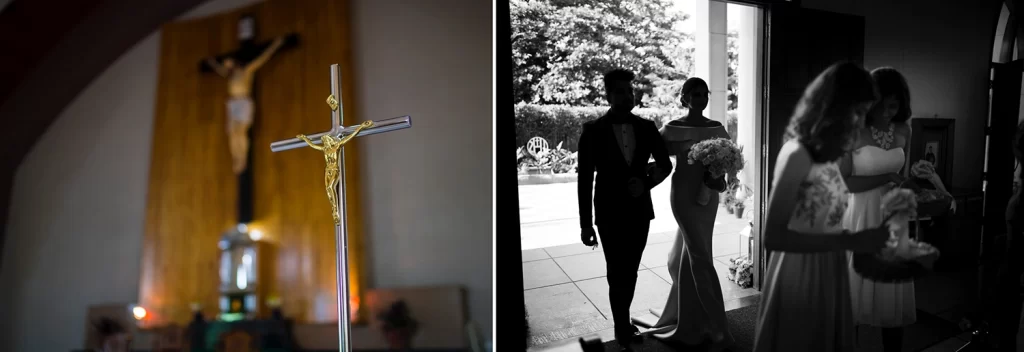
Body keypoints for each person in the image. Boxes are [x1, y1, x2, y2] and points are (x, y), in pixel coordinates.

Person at [752, 61, 891, 352]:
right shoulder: (797, 154)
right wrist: (850, 240)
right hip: (800, 271)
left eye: (864, 112)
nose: (861, 121)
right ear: (834, 107)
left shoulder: (828, 155)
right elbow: (772, 237)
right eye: (857, 111)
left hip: (831, 267)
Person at [577, 68, 672, 351]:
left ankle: (623, 321)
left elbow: (665, 164)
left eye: (630, 91)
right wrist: (585, 223)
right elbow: (584, 180)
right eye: (620, 91)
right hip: (607, 212)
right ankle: (621, 327)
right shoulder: (592, 131)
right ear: (608, 95)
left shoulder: (647, 127)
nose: (627, 96)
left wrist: (645, 183)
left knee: (630, 270)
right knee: (615, 270)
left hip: (639, 211)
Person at [644, 77, 733, 350]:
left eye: (703, 93)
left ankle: (689, 316)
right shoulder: (672, 128)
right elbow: (655, 158)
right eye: (694, 93)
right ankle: (717, 326)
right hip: (682, 196)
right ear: (684, 97)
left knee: (678, 259)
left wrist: (720, 180)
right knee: (700, 257)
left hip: (709, 198)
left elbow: (727, 164)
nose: (700, 98)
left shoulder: (717, 128)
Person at [841, 67, 916, 352]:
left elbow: (903, 176)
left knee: (892, 295)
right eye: (881, 105)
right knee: (853, 293)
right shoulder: (853, 131)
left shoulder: (904, 130)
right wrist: (886, 178)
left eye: (894, 105)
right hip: (860, 217)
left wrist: (911, 186)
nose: (887, 112)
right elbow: (845, 182)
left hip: (892, 219)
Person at [204, 36, 286, 175]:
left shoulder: (246, 71)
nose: (226, 66)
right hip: (233, 103)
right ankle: (236, 158)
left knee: (240, 131)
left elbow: (263, 58)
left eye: (228, 63)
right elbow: (219, 69)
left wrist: (275, 45)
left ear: (234, 62)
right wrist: (212, 62)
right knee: (232, 133)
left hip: (243, 102)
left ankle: (242, 158)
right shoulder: (229, 75)